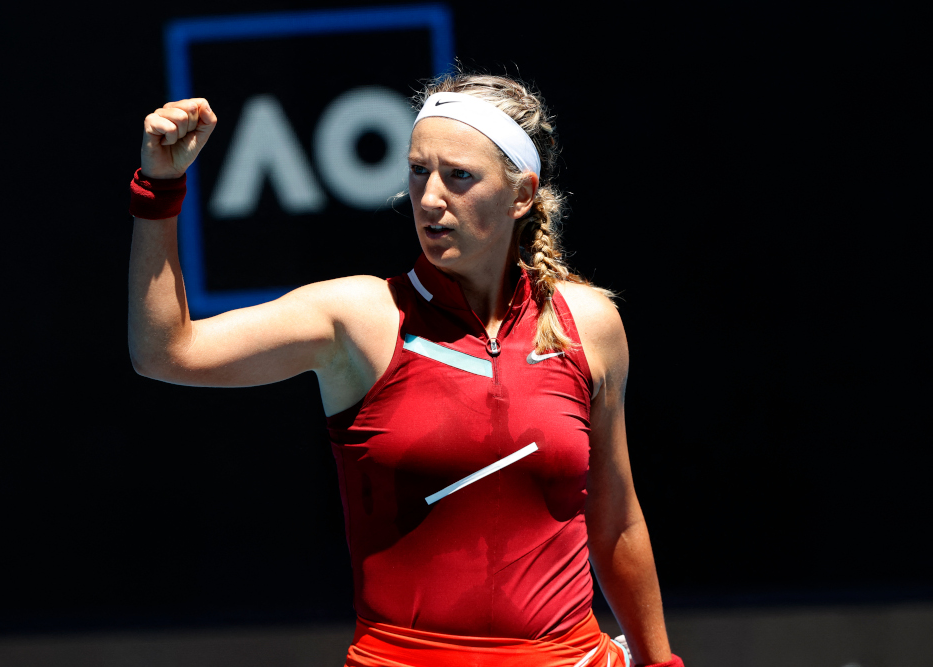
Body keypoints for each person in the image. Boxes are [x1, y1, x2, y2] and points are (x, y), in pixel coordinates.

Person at [128, 72, 683, 667]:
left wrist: (661, 662)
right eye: (419, 171)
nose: (430, 197)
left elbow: (616, 519)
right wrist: (159, 191)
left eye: (459, 176)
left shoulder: (589, 324)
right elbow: (167, 352)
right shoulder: (357, 317)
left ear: (521, 195)